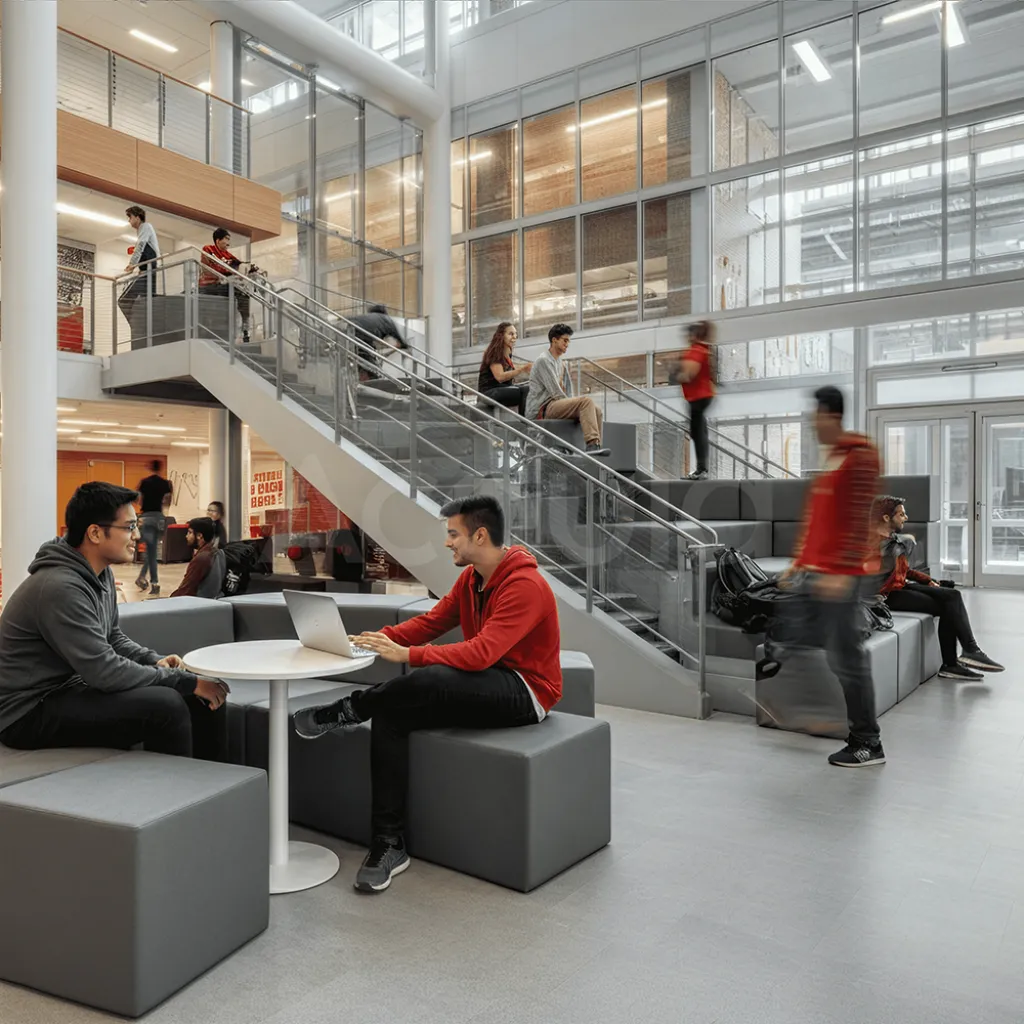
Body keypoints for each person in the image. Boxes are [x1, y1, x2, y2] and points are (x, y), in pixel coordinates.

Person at [293, 495, 562, 894]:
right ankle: (389, 843)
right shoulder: (472, 579)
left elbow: (482, 652)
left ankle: (348, 709)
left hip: (526, 690)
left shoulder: (525, 585)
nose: (448, 542)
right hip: (481, 682)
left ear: (481, 535)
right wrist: (376, 640)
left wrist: (408, 656)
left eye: (454, 534)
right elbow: (431, 622)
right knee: (392, 713)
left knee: (434, 675)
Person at [0, 483, 229, 760]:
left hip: (67, 689)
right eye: (129, 527)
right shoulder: (59, 587)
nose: (137, 536)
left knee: (199, 696)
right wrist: (183, 681)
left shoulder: (100, 573)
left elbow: (112, 637)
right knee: (166, 704)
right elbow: (104, 672)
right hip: (26, 712)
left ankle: (213, 785)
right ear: (95, 533)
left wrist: (152, 660)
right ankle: (175, 795)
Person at [780, 386, 885, 768]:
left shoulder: (859, 457)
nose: (812, 426)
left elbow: (860, 518)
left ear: (831, 416)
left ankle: (867, 742)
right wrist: (798, 563)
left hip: (844, 576)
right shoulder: (835, 458)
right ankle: (816, 713)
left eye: (816, 418)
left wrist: (842, 571)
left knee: (847, 659)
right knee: (794, 638)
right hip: (817, 572)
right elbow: (819, 519)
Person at [873, 495, 1002, 679]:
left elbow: (905, 571)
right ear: (886, 517)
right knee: (949, 602)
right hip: (887, 597)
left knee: (952, 595)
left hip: (900, 588)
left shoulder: (893, 540)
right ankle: (959, 658)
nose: (906, 517)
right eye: (901, 514)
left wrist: (927, 580)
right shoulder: (875, 545)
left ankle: (963, 655)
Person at [525, 323, 611, 457]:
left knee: (597, 410)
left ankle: (597, 445)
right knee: (586, 401)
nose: (567, 344)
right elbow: (555, 391)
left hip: (555, 404)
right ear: (554, 340)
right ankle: (591, 444)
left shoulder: (561, 363)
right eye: (565, 340)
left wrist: (572, 404)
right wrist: (574, 404)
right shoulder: (543, 361)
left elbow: (568, 392)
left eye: (568, 341)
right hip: (543, 408)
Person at [673, 320, 716, 480]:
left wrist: (677, 373)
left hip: (698, 397)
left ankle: (701, 470)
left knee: (697, 433)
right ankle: (701, 469)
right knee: (698, 431)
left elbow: (689, 374)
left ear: (693, 335)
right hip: (701, 396)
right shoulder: (702, 350)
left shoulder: (696, 351)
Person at [200, 228, 254, 344]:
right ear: (218, 240)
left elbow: (239, 265)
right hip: (209, 285)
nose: (228, 243)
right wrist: (230, 270)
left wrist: (251, 268)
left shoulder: (228, 255)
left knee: (244, 292)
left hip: (222, 285)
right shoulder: (208, 249)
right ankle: (242, 327)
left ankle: (245, 326)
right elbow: (211, 267)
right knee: (238, 290)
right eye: (226, 239)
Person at [135, 459, 172, 597]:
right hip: (159, 518)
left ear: (150, 468)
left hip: (147, 517)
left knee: (151, 552)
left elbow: (138, 499)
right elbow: (167, 501)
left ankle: (155, 583)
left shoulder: (144, 482)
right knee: (152, 552)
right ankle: (141, 578)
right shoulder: (166, 484)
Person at [478, 321, 531, 416]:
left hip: (498, 389)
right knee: (527, 390)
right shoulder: (494, 351)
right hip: (489, 392)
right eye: (511, 334)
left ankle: (528, 420)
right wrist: (522, 369)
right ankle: (527, 422)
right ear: (501, 336)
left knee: (530, 389)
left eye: (515, 334)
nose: (514, 336)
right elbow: (500, 377)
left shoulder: (507, 353)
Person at [118, 205, 160, 326]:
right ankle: (139, 324)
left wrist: (132, 264)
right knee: (140, 302)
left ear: (137, 217)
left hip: (149, 271)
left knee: (124, 301)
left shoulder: (145, 227)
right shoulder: (142, 230)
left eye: (130, 217)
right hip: (147, 271)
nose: (129, 220)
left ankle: (136, 325)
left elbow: (141, 246)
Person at [348, 304, 409, 379]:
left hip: (349, 330)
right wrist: (404, 345)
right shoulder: (386, 319)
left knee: (361, 357)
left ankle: (364, 377)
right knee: (368, 358)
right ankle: (374, 378)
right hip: (360, 335)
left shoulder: (367, 317)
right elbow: (397, 336)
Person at [171, 518, 225, 599]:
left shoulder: (202, 558)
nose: (186, 536)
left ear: (199, 536)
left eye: (189, 532)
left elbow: (186, 589)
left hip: (200, 603)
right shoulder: (218, 552)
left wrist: (169, 601)